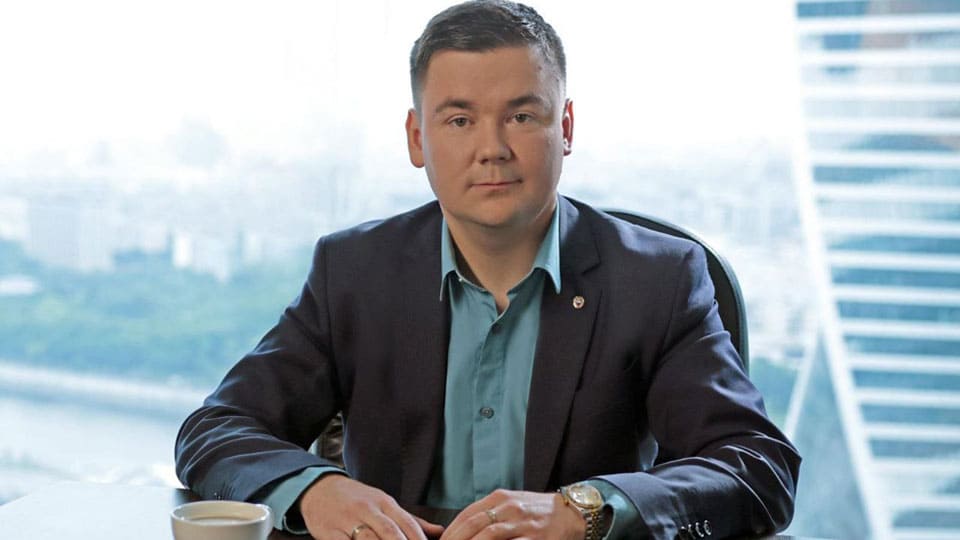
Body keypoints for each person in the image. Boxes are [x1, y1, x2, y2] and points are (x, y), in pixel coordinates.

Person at [174, 1, 801, 539]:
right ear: (417, 139)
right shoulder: (355, 273)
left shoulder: (658, 281)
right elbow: (216, 429)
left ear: (565, 127)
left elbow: (757, 466)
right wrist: (315, 489)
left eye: (522, 117)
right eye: (459, 120)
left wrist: (584, 511)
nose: (492, 149)